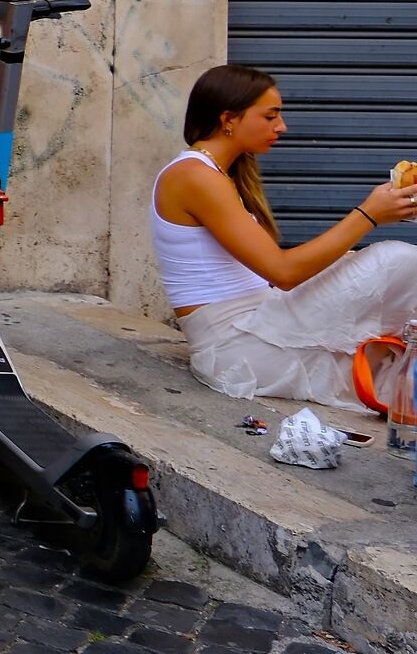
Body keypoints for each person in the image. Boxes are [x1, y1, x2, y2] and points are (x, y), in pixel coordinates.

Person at [152, 64, 417, 411]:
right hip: (236, 344)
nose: (282, 126)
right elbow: (283, 272)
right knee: (396, 260)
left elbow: (273, 274)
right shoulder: (194, 176)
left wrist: (345, 257)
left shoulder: (216, 175)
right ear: (228, 119)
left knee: (387, 362)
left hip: (259, 324)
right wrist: (369, 215)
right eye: (270, 116)